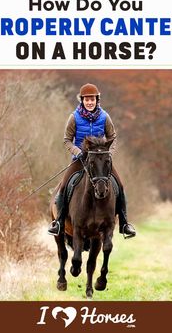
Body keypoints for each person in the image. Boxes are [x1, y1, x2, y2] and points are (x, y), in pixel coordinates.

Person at [48, 83, 136, 238]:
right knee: (63, 186)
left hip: (101, 161)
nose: (90, 102)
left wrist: (108, 153)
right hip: (79, 160)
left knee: (120, 186)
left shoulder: (105, 117)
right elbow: (67, 140)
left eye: (92, 99)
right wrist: (78, 151)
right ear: (82, 100)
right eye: (87, 99)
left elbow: (113, 138)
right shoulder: (73, 117)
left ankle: (124, 224)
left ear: (97, 100)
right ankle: (59, 222)